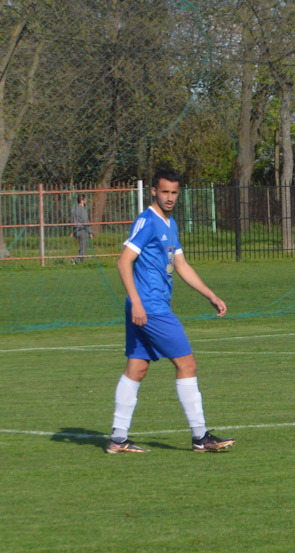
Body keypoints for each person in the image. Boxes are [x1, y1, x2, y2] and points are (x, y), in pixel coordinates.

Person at [106, 168, 234, 455]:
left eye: (174, 192)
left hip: (150, 305)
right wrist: (137, 302)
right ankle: (201, 436)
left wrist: (210, 294)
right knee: (187, 365)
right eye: (164, 191)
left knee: (137, 369)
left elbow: (181, 265)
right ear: (153, 191)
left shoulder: (170, 223)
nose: (170, 197)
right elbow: (123, 262)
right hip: (150, 307)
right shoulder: (147, 221)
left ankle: (117, 439)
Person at [71, 195, 90, 264]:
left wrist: (73, 231)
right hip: (82, 230)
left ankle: (82, 262)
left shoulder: (74, 209)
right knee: (84, 248)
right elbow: (86, 221)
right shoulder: (83, 210)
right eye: (85, 200)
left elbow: (72, 221)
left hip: (76, 230)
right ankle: (75, 260)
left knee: (82, 247)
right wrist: (90, 232)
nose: (86, 201)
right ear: (82, 201)